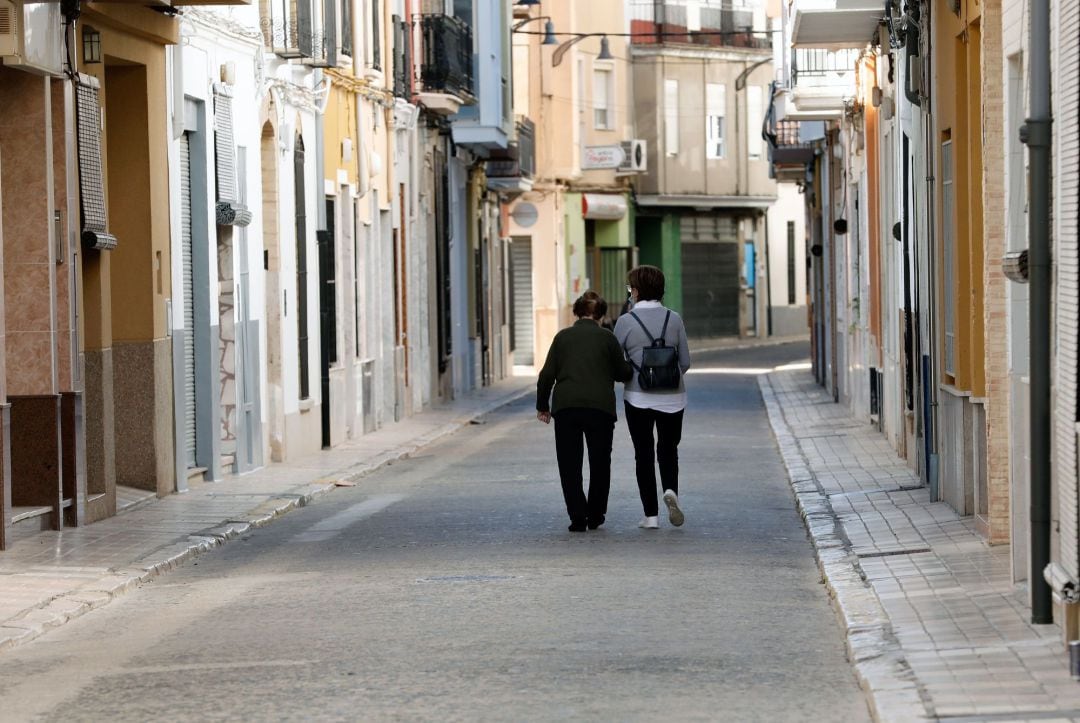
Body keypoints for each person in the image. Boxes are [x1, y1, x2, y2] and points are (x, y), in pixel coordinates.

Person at [536, 291, 634, 532]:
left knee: (569, 464)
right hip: (600, 409)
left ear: (577, 312)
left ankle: (577, 517)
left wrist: (542, 406)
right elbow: (623, 373)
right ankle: (596, 514)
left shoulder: (562, 338)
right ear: (600, 314)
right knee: (600, 462)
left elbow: (546, 375)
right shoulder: (607, 338)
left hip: (567, 408)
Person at [614, 265, 691, 529]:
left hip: (638, 397)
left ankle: (651, 516)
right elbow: (685, 362)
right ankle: (670, 490)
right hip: (673, 397)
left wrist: (633, 374)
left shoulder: (625, 322)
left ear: (635, 291)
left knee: (643, 453)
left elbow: (615, 362)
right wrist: (666, 377)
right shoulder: (675, 319)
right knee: (669, 450)